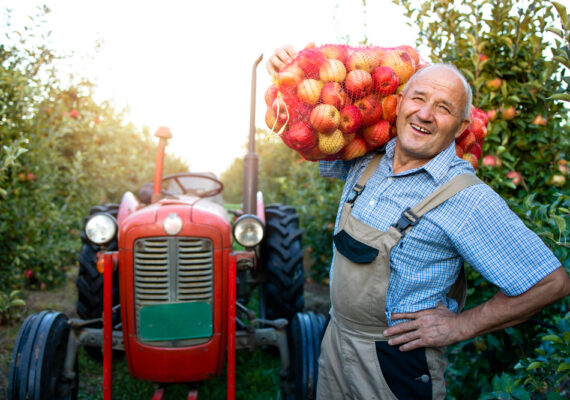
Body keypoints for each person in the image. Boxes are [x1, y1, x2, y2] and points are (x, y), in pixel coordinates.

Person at [267, 46, 570, 399]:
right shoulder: (365, 157)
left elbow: (550, 283)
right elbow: (307, 131)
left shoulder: (464, 197)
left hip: (394, 365)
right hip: (335, 339)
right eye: (418, 98)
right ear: (398, 102)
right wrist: (287, 75)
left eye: (444, 108)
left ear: (460, 127)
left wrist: (460, 326)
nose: (425, 114)